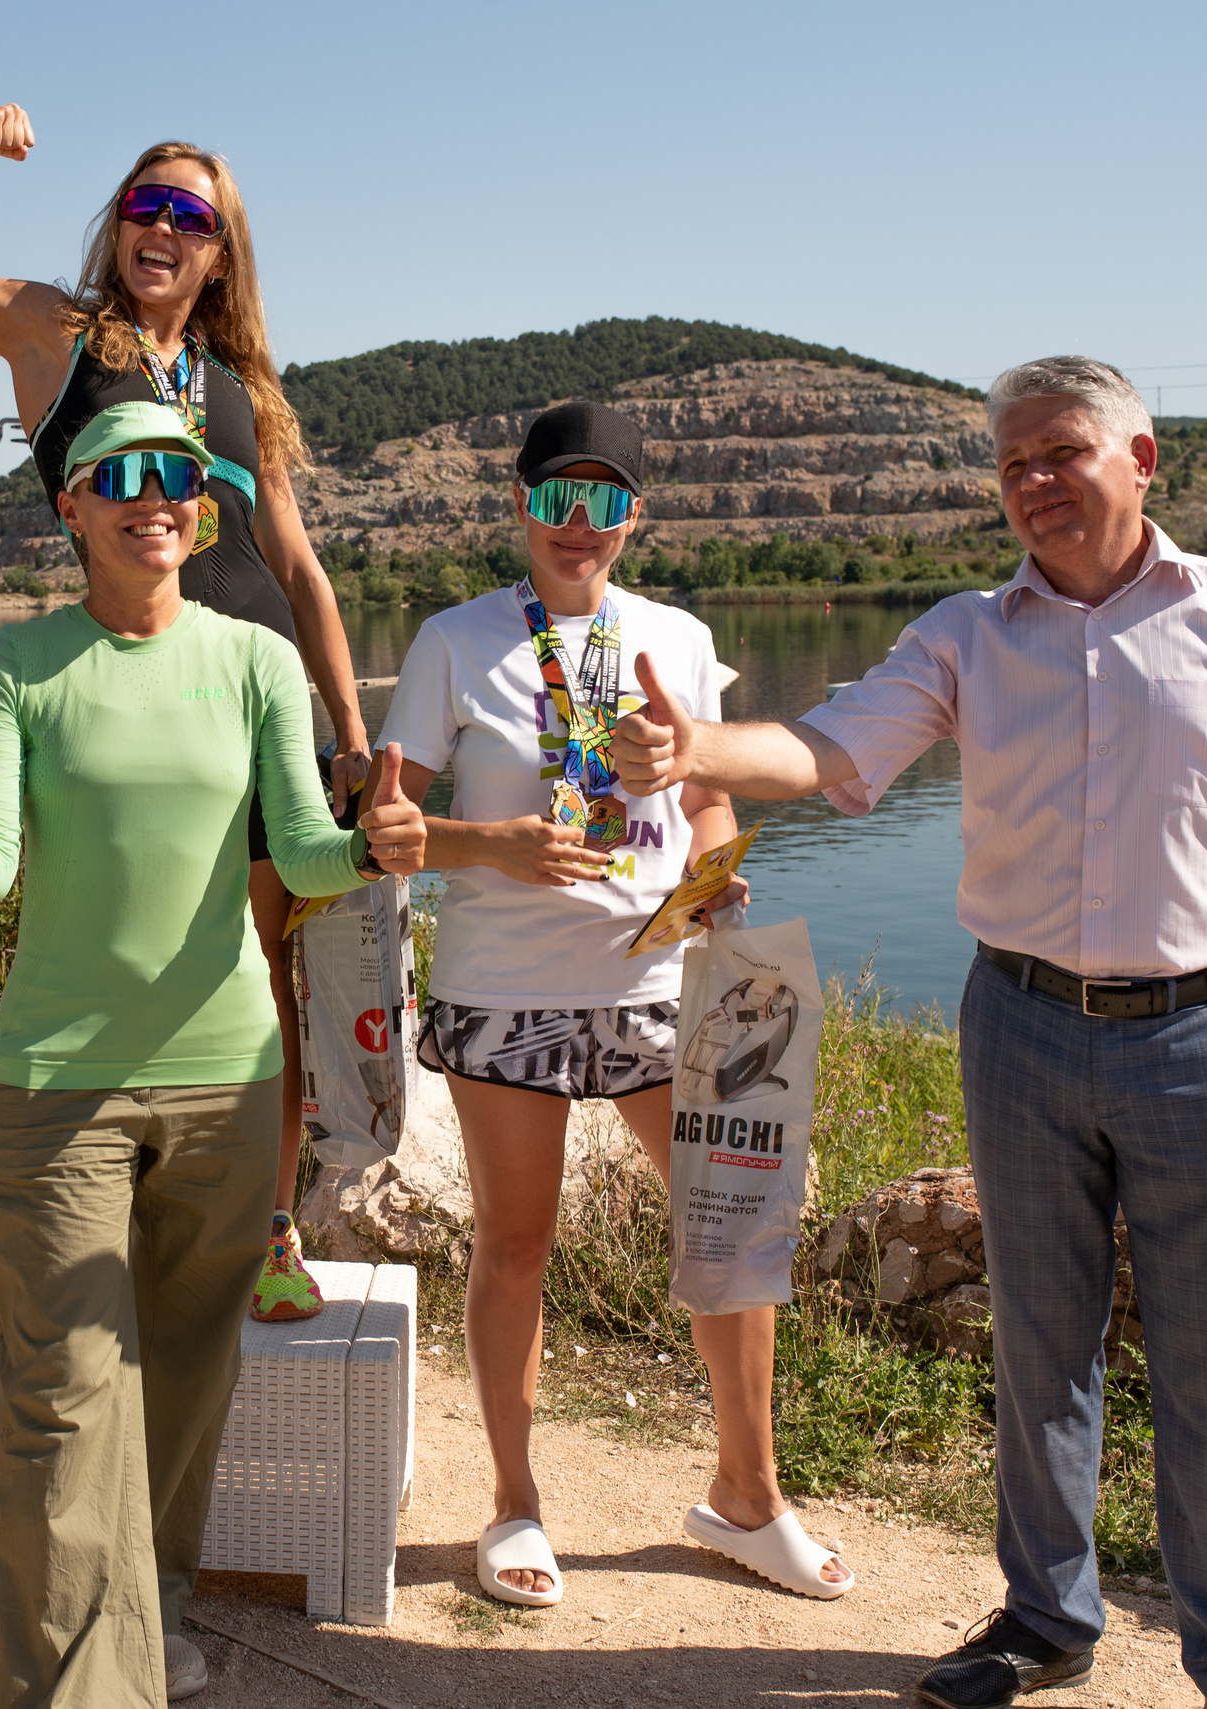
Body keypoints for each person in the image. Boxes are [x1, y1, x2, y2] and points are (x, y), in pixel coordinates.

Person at [613, 356, 1207, 1709]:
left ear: (1142, 460)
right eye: (1012, 463)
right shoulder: (968, 635)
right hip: (1021, 1026)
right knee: (1040, 1349)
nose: (1032, 481)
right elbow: (833, 749)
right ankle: (1046, 1621)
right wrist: (700, 756)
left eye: (1060, 452)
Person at [0, 400, 426, 1708]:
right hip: (57, 1087)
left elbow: (296, 848)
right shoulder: (18, 663)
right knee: (67, 1403)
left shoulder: (254, 657)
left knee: (184, 1384)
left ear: (206, 501)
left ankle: (154, 1605)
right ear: (69, 504)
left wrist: (369, 846)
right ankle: (84, 1685)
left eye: (178, 473)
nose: (154, 494)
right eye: (117, 473)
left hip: (229, 1081)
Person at [0, 107, 368, 1324]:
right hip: (115, 704)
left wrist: (348, 734)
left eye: (193, 216)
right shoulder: (56, 332)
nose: (163, 228)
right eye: (145, 205)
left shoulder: (241, 387)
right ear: (114, 224)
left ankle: (262, 1226)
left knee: (254, 982)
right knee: (120, 952)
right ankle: (114, 1214)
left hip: (252, 706)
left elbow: (298, 568)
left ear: (222, 253)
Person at [373, 401, 852, 1609]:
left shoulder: (680, 639)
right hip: (505, 992)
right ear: (519, 503)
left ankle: (748, 1495)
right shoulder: (450, 641)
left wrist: (714, 865)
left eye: (602, 500)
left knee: (732, 1230)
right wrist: (495, 843)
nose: (576, 524)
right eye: (553, 498)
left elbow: (706, 802)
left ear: (635, 513)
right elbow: (387, 836)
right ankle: (513, 1504)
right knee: (517, 1244)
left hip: (659, 984)